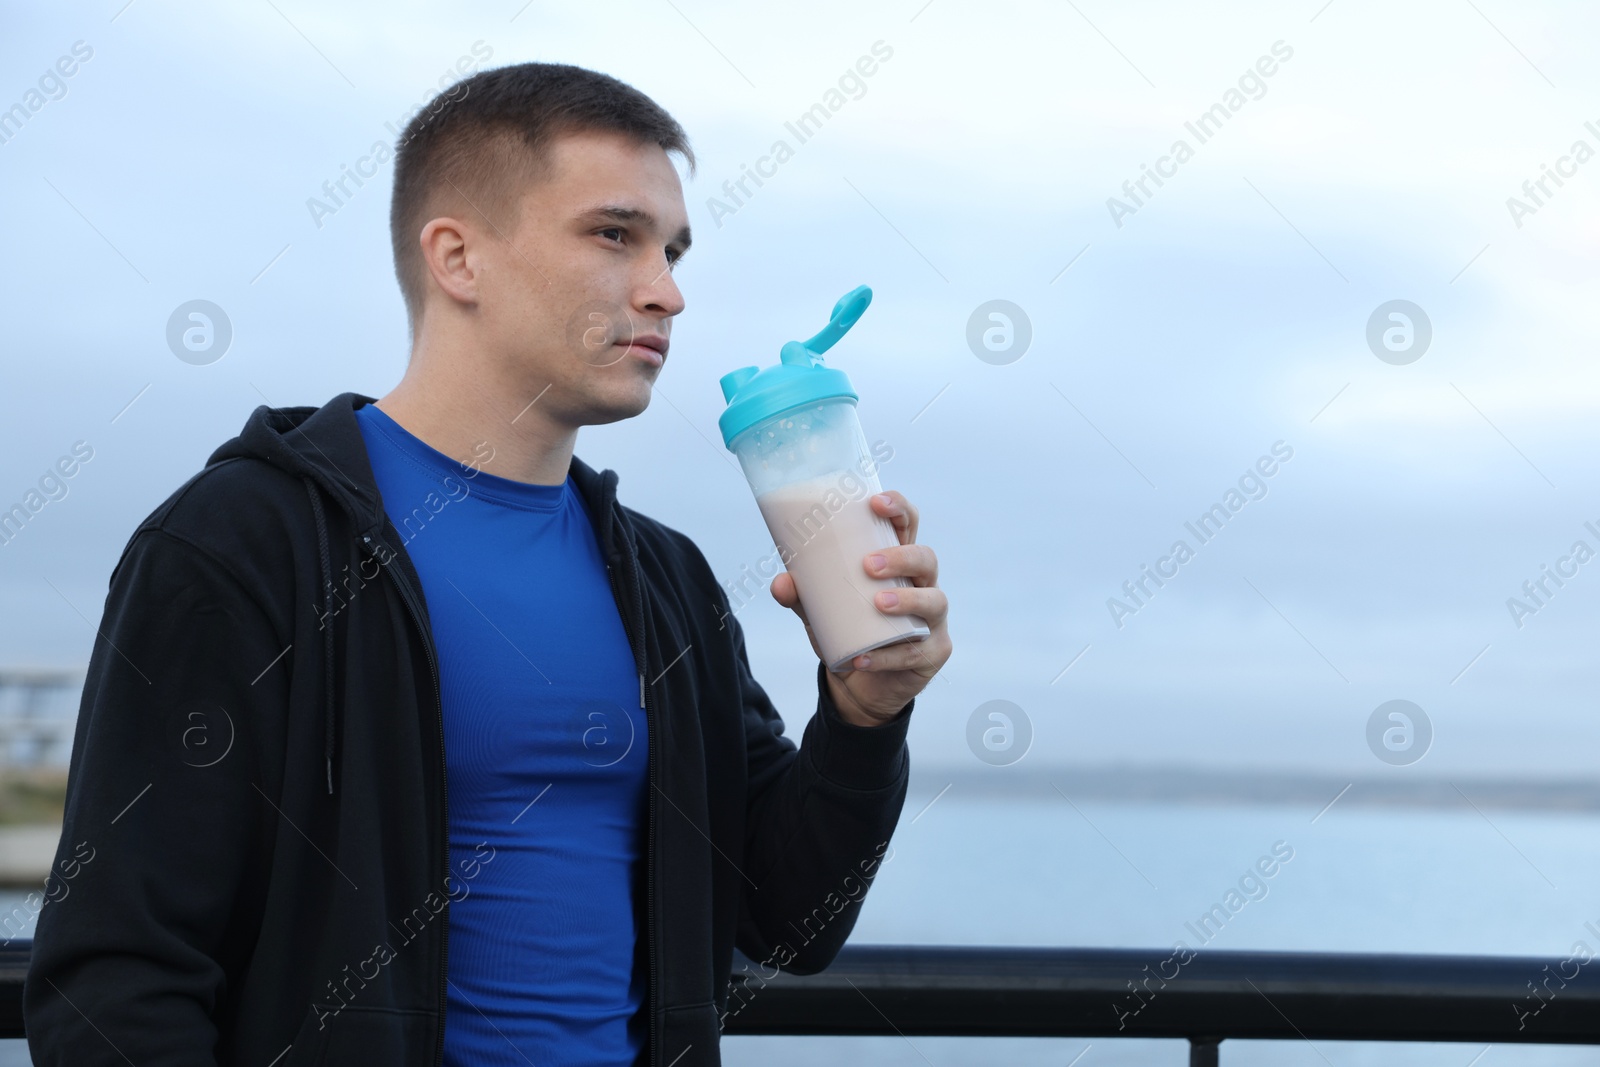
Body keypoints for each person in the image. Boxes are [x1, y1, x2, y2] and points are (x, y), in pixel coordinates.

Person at [23, 60, 953, 1066]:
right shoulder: (242, 544)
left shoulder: (665, 579)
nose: (668, 291)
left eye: (674, 249)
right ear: (458, 258)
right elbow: (117, 980)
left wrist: (863, 718)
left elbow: (787, 917)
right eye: (615, 234)